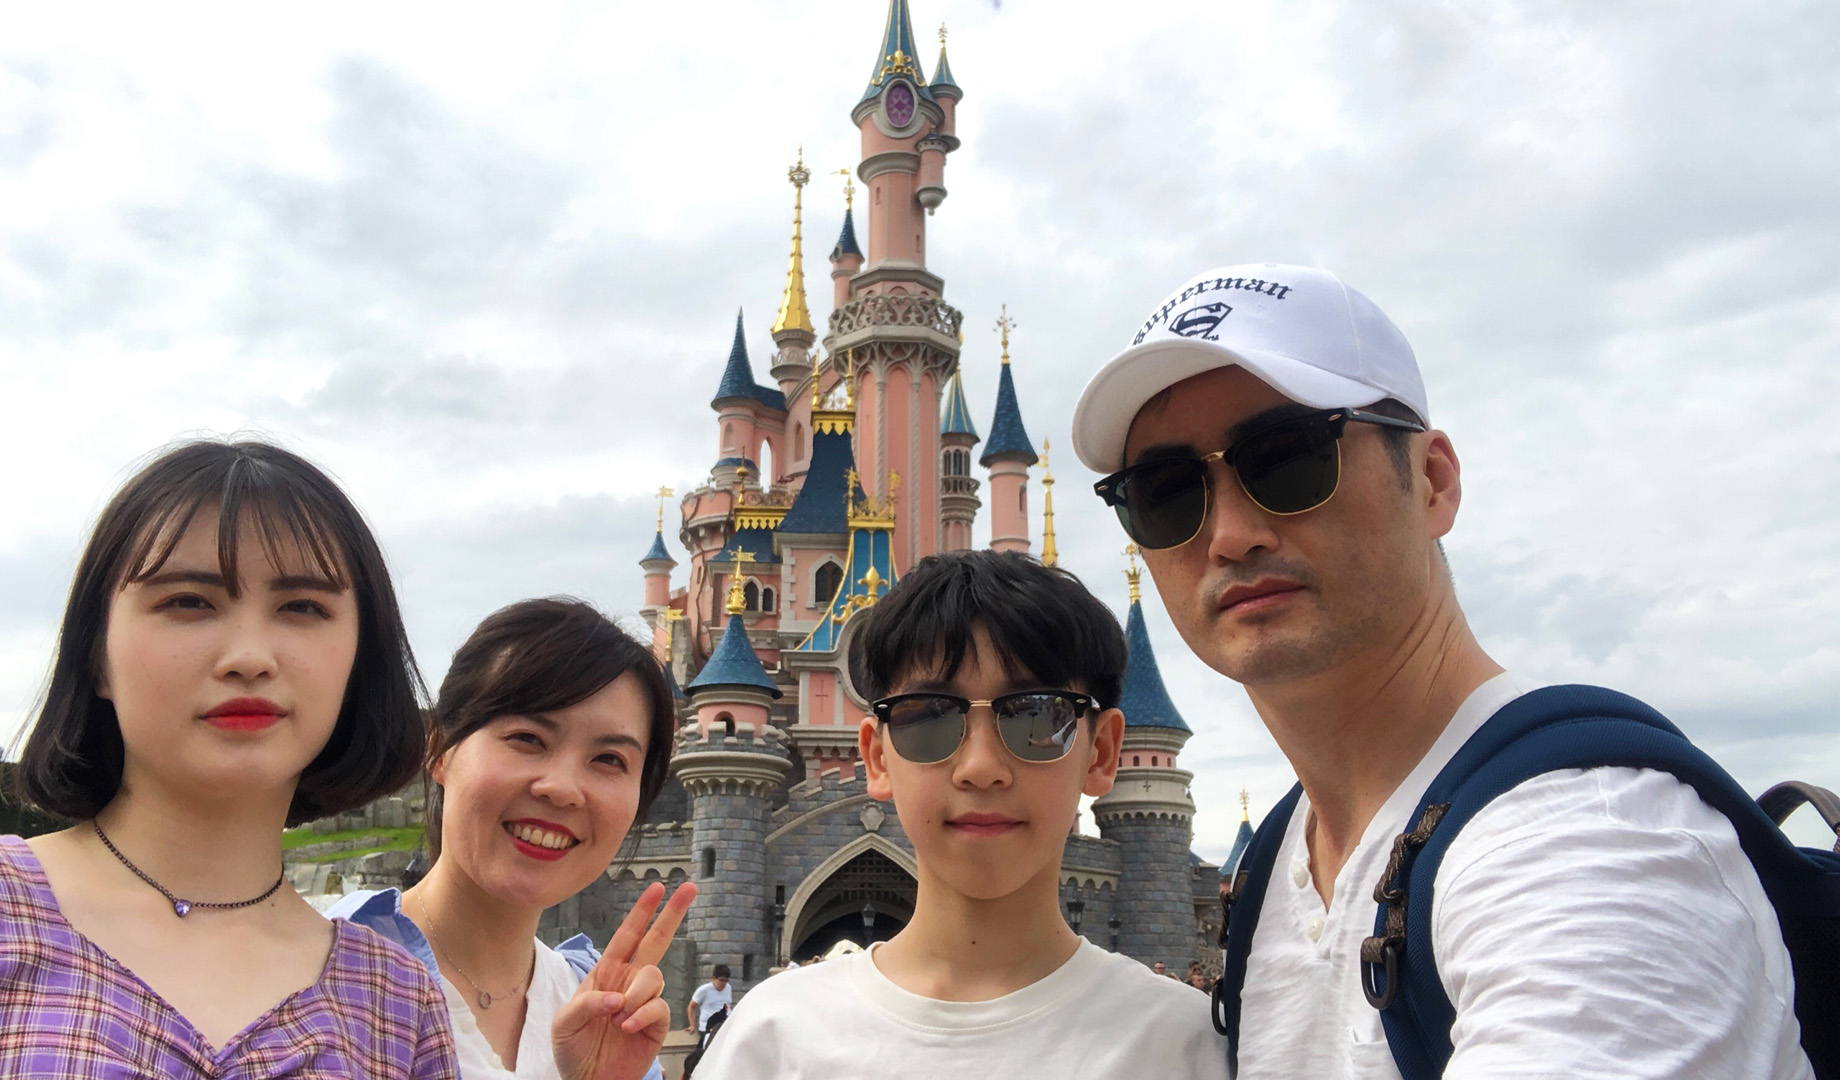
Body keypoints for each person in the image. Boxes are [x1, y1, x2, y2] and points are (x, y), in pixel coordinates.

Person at [1070, 263, 1813, 1078]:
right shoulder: (1275, 867)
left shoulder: (1592, 849)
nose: (1229, 534)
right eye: (1166, 491)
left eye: (1286, 459)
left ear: (1432, 481)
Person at [0, 439, 458, 1076]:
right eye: (188, 602)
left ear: (360, 661)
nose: (250, 656)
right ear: (96, 655)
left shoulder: (398, 1001)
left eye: (302, 607)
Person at [692, 551, 1227, 1077]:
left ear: (1102, 752)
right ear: (877, 757)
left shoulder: (1186, 1046)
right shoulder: (769, 1040)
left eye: (1036, 715)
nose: (980, 767)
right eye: (928, 718)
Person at [333, 598, 697, 1080]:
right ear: (440, 750)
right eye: (527, 738)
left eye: (609, 759)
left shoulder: (603, 1012)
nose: (563, 788)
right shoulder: (315, 972)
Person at [686, 965, 731, 1038]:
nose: (723, 983)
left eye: (726, 981)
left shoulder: (728, 988)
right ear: (714, 978)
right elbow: (692, 1006)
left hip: (725, 1026)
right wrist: (692, 1025)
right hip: (708, 1028)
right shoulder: (704, 990)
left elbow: (727, 1005)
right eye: (721, 980)